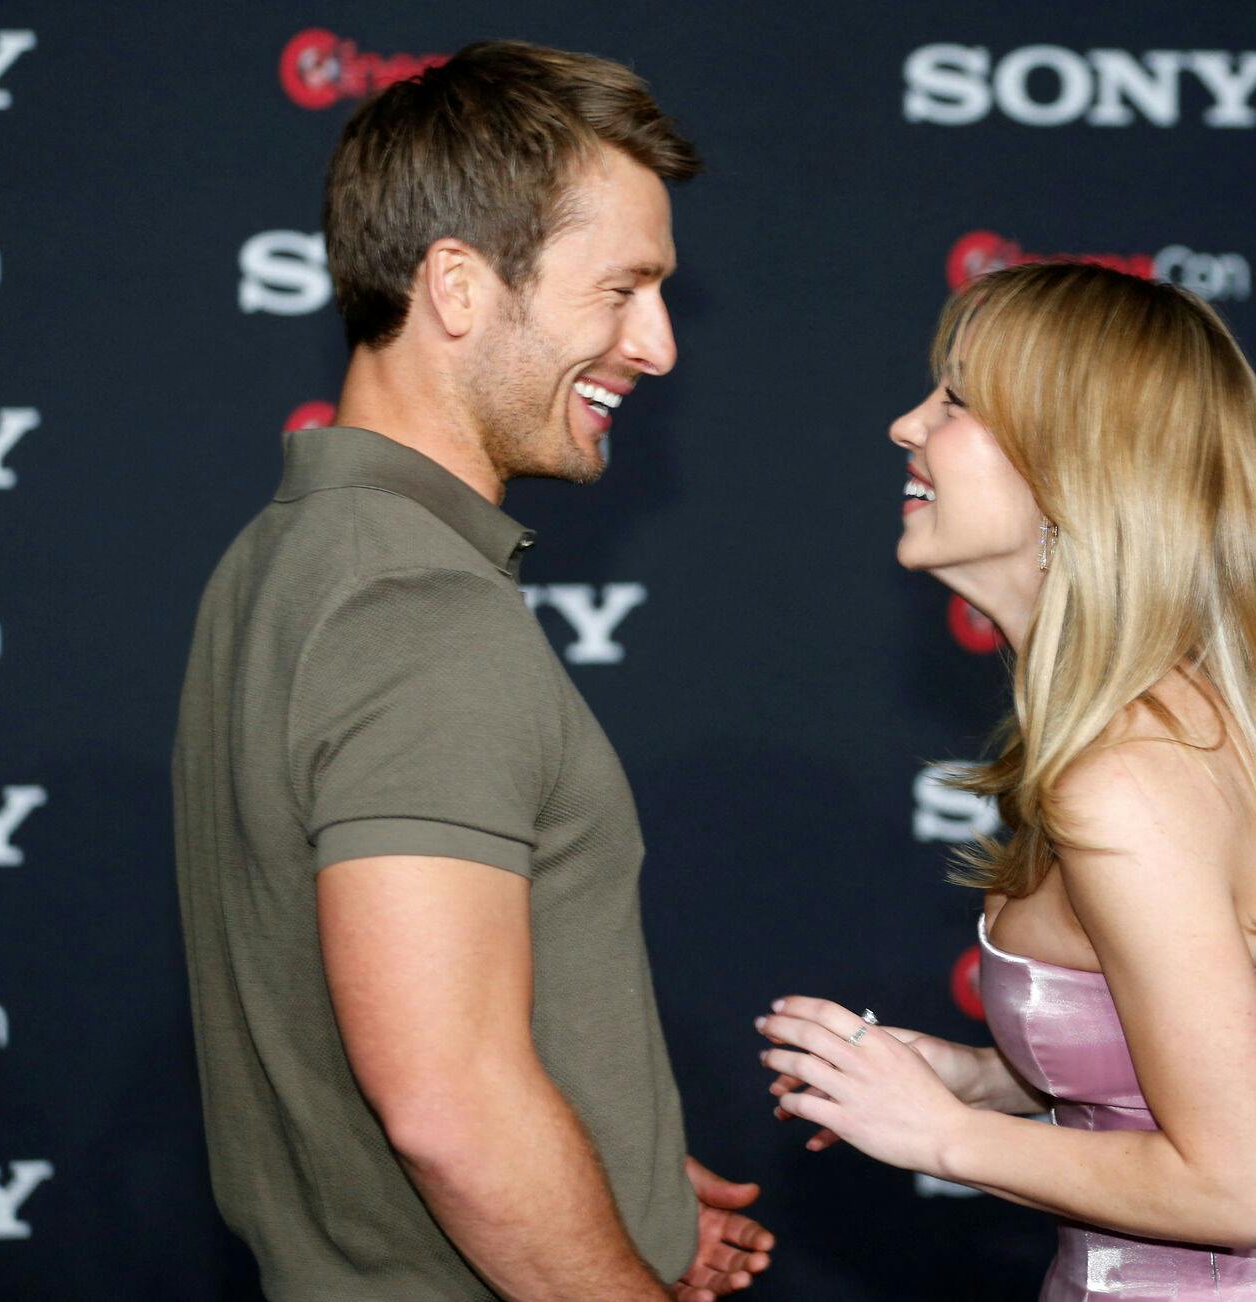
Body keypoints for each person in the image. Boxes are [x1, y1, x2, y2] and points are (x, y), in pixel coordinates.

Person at [172, 42, 770, 1301]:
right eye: (622, 289)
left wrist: (619, 1187)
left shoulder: (293, 556)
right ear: (457, 286)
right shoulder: (417, 609)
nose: (658, 345)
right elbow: (452, 1106)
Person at [757, 262, 1256, 1299]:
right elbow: (1159, 1066)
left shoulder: (1125, 780)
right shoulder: (1139, 730)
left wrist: (940, 1134)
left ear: (1073, 469)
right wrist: (977, 1078)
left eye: (955, 401)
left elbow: (1249, 1190)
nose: (907, 425)